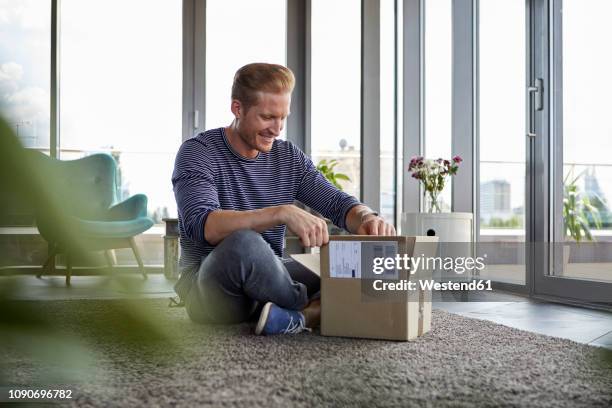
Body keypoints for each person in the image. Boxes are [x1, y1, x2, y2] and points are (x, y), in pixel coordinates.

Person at [172, 62, 395, 335]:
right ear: (237, 108)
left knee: (354, 261)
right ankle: (316, 310)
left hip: (271, 281)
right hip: (212, 291)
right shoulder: (198, 152)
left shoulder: (287, 157)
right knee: (243, 242)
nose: (276, 129)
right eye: (267, 117)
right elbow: (204, 225)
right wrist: (280, 212)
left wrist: (366, 217)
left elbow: (336, 204)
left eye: (282, 118)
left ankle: (294, 314)